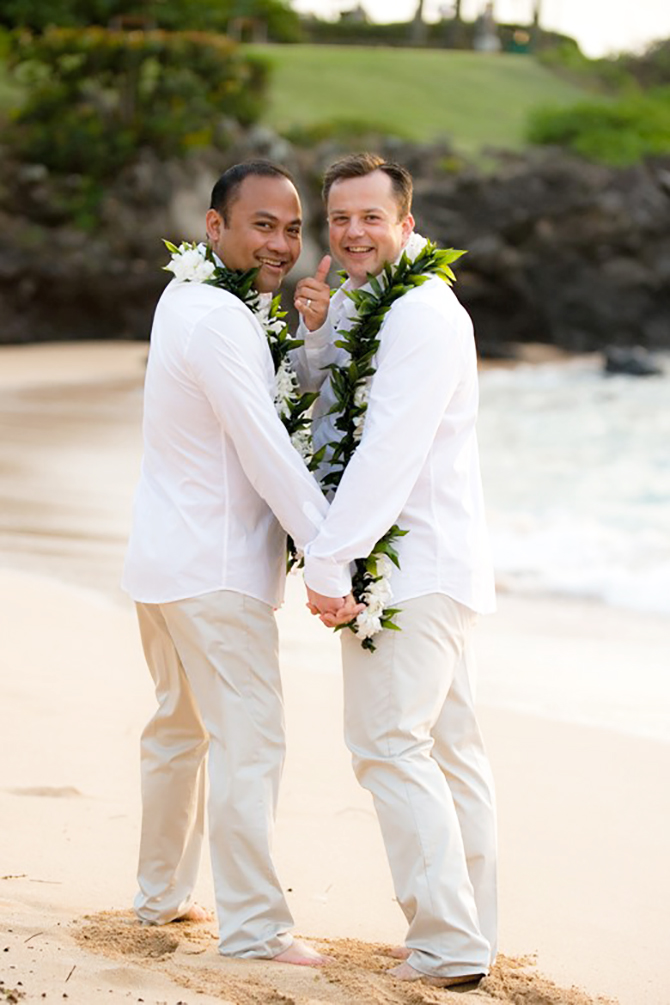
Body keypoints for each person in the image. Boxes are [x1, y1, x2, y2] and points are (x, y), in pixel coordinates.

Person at [122, 159, 357, 966]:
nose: (283, 242)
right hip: (214, 568)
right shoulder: (220, 317)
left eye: (294, 228)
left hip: (163, 560)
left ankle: (158, 898)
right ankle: (256, 925)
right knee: (250, 742)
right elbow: (267, 451)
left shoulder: (187, 298)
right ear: (213, 227)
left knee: (177, 734)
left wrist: (311, 338)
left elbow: (262, 404)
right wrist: (332, 552)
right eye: (263, 224)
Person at [294, 153, 498, 988]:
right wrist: (317, 330)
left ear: (406, 223)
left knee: (388, 745)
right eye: (339, 218)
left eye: (370, 217)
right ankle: (464, 932)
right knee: (449, 754)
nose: (351, 233)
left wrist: (331, 559)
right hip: (433, 562)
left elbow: (389, 451)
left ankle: (449, 943)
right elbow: (328, 401)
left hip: (412, 565)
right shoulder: (369, 302)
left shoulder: (421, 312)